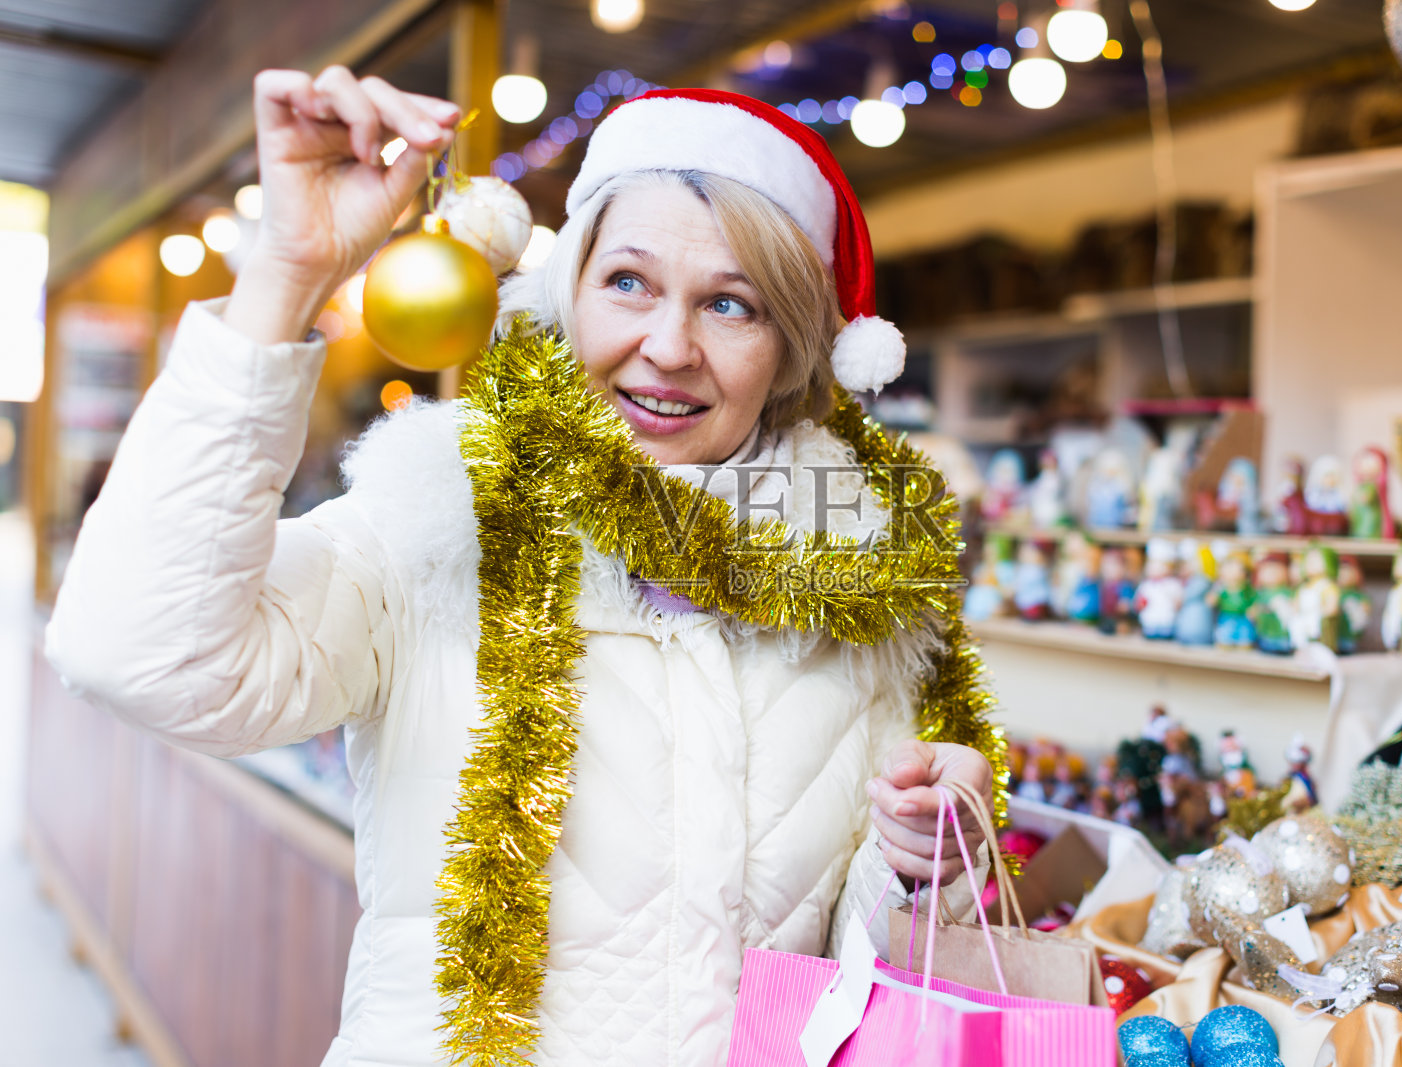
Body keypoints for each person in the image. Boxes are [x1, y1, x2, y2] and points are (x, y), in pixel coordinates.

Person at [43, 70, 998, 1067]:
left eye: (731, 304)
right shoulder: (439, 513)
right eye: (627, 281)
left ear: (794, 348)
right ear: (567, 291)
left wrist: (926, 854)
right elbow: (136, 652)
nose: (666, 347)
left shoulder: (853, 581)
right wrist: (287, 271)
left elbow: (846, 977)